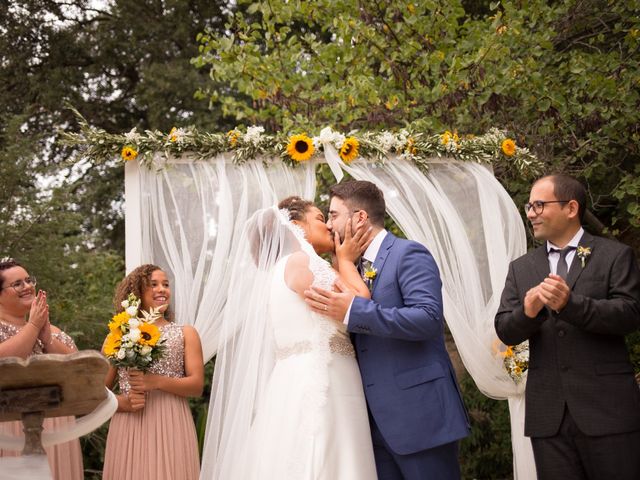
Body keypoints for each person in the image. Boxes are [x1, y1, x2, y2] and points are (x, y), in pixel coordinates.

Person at [200, 196, 378, 479]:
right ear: (297, 226)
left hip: (302, 373)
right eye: (321, 219)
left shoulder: (283, 268)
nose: (330, 227)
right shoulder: (300, 261)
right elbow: (359, 303)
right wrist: (345, 260)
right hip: (323, 376)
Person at [305, 180, 470, 480]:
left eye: (333, 215)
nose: (329, 225)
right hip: (368, 426)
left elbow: (427, 317)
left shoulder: (409, 254)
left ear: (359, 218)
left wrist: (354, 311)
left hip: (419, 417)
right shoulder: (347, 266)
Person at [495, 174, 640, 479]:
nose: (531, 213)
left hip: (607, 411)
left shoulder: (614, 255)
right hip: (549, 416)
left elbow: (629, 314)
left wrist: (570, 305)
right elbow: (505, 329)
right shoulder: (521, 268)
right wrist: (529, 312)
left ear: (571, 208)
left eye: (539, 205)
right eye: (529, 206)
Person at [102, 264, 204, 480]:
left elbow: (196, 386)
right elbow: (98, 391)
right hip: (130, 423)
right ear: (137, 292)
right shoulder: (119, 335)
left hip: (172, 421)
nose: (162, 289)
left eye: (166, 285)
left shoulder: (186, 333)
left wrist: (156, 382)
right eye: (154, 284)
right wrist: (123, 402)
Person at [0, 257, 82, 480]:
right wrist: (33, 326)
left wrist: (47, 340)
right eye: (17, 284)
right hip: (13, 423)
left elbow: (80, 368)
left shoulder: (51, 329)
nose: (27, 286)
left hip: (58, 422)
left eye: (28, 280)